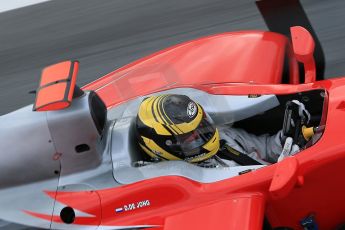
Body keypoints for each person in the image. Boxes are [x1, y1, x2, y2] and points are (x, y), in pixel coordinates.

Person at [135, 94, 308, 168]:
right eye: (188, 136)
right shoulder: (184, 183)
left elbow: (263, 148)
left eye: (200, 125)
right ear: (164, 146)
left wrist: (285, 137)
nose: (199, 134)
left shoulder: (223, 136)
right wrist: (282, 169)